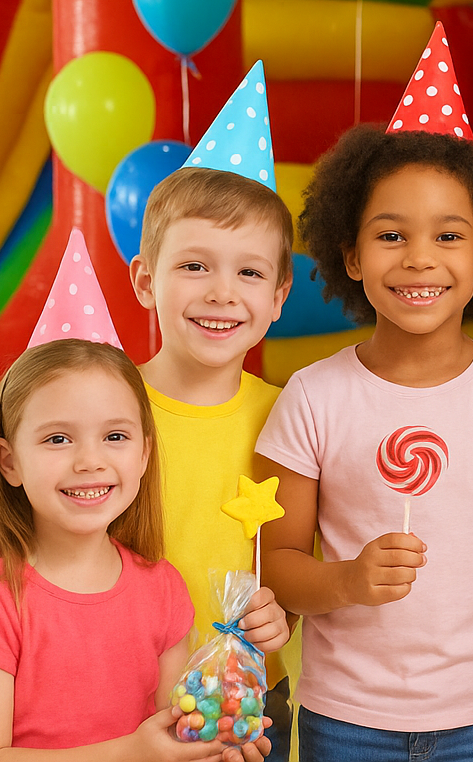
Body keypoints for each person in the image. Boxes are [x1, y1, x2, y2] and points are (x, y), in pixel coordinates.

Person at [255, 24, 473, 762]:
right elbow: (280, 567)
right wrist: (350, 581)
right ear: (351, 256)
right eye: (391, 236)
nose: (420, 257)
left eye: (449, 237)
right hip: (345, 720)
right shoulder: (312, 396)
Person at [0, 243, 284, 762]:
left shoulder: (162, 587)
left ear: (144, 453)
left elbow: (172, 731)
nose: (89, 462)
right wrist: (133, 752)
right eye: (57, 439)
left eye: (115, 437)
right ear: (9, 462)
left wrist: (213, 743)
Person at [129, 69, 298, 758]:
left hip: (250, 702)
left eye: (250, 273)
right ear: (145, 279)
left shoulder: (295, 418)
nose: (222, 293)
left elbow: (303, 564)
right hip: (121, 697)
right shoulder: (106, 411)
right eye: (195, 266)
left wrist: (284, 614)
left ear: (281, 295)